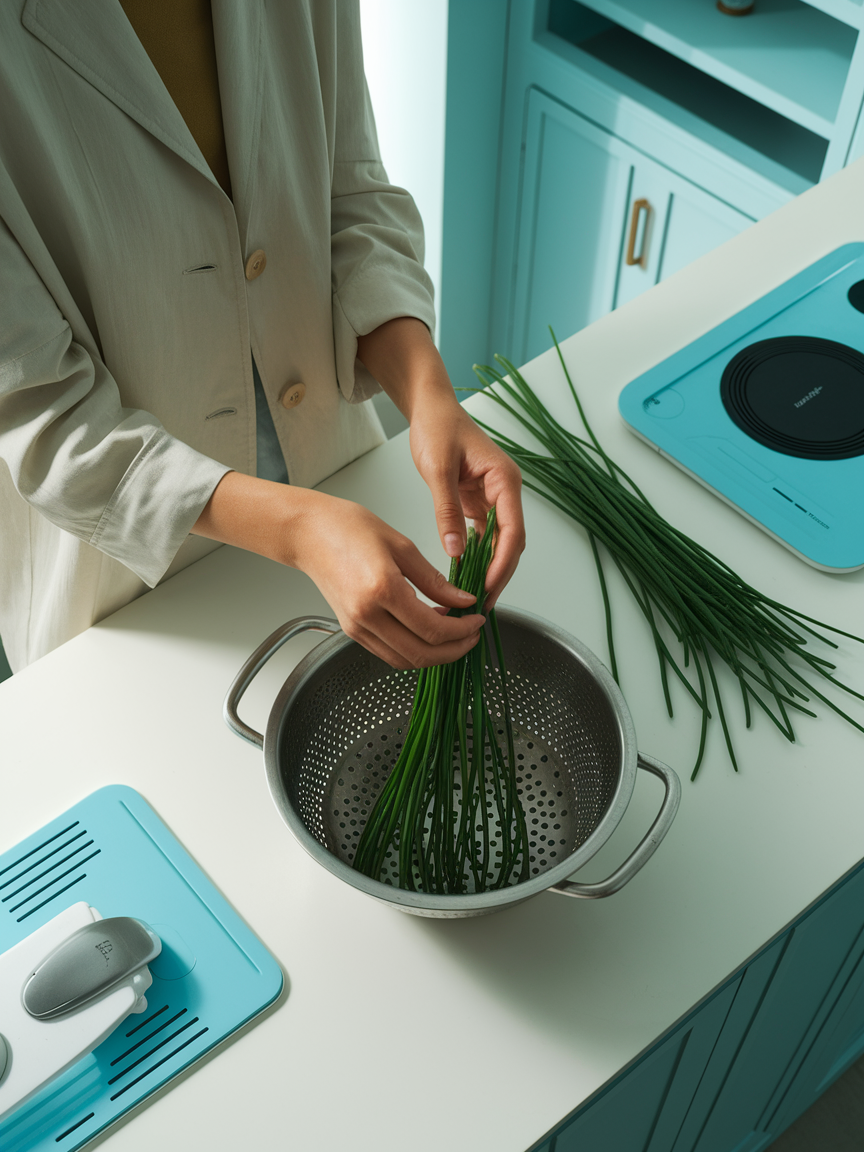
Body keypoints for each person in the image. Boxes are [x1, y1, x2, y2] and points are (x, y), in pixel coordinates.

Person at [0, 0, 524, 673]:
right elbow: (42, 412)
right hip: (131, 583)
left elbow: (351, 195)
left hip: (335, 476)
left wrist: (429, 396)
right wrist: (301, 529)